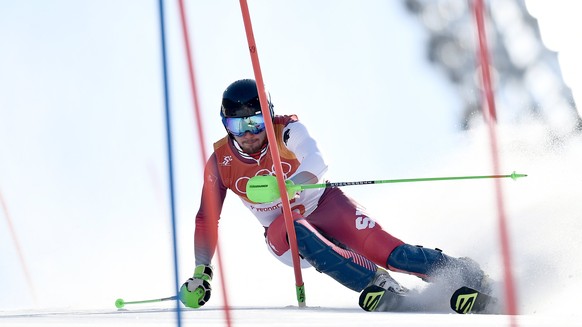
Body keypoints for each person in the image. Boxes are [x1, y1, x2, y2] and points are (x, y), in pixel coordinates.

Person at [179, 79, 490, 311]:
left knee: (391, 252)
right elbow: (207, 217)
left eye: (255, 121)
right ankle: (376, 284)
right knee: (295, 225)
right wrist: (201, 272)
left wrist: (295, 182)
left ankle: (463, 273)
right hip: (284, 235)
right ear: (226, 125)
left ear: (268, 115)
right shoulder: (221, 162)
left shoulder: (286, 131)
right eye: (237, 124)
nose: (247, 133)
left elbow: (318, 160)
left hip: (326, 205)